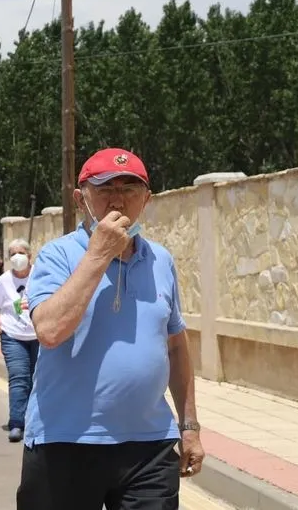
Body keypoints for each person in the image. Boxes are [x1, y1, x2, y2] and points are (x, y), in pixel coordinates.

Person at [17, 148, 204, 510]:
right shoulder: (58, 256)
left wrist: (190, 427)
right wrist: (99, 255)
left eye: (129, 189)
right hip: (65, 442)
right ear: (80, 197)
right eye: (104, 188)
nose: (117, 199)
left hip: (149, 447)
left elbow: (176, 347)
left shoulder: (161, 261)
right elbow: (50, 331)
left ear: (146, 199)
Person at [0, 239, 36, 443]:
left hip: (40, 335)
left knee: (38, 380)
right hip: (12, 335)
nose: (17, 257)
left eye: (21, 252)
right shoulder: (4, 280)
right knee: (19, 378)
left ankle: (35, 422)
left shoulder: (41, 275)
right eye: (13, 253)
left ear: (30, 255)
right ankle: (16, 423)